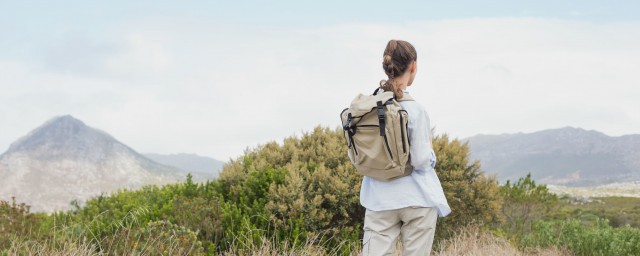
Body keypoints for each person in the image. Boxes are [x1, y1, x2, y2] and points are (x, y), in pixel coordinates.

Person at [360, 39, 451, 256]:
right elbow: (420, 161)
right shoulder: (416, 111)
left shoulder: (368, 109)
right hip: (417, 198)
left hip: (378, 198)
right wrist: (431, 153)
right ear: (413, 67)